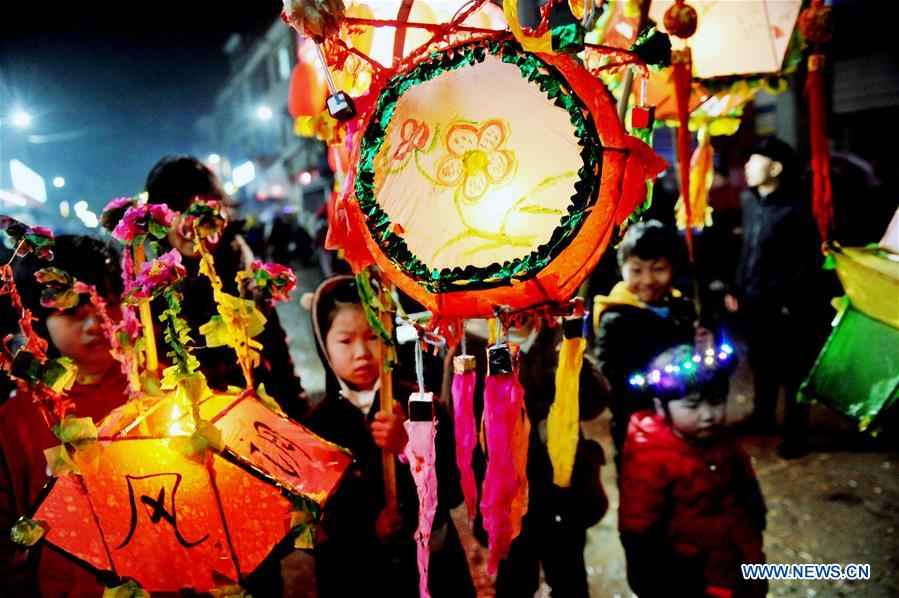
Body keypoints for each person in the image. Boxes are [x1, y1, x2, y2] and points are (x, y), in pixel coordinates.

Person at [302, 276, 474, 597]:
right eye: (345, 341)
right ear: (324, 344)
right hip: (357, 578)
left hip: (431, 574)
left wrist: (409, 447)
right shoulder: (317, 428)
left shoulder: (424, 406)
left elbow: (453, 493)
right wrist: (368, 532)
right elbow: (316, 528)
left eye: (372, 337)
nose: (361, 353)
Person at [0, 236, 130, 597]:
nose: (96, 324)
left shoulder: (163, 390)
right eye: (72, 310)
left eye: (108, 303)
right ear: (37, 321)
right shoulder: (18, 420)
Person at [442, 317, 609, 597]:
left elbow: (594, 403)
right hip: (508, 502)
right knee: (516, 579)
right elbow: (460, 425)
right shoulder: (468, 348)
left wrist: (574, 362)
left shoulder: (556, 333)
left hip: (565, 491)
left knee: (570, 576)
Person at [145, 155, 309, 420]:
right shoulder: (152, 287)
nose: (191, 221)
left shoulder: (244, 267)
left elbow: (276, 348)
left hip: (258, 413)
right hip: (190, 423)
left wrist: (298, 411)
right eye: (175, 209)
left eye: (202, 208)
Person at [619, 344, 767, 598]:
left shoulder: (723, 441)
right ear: (660, 406)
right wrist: (658, 583)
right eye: (692, 406)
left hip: (737, 558)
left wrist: (754, 513)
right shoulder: (649, 458)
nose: (708, 415)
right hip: (688, 577)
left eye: (717, 402)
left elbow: (744, 481)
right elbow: (640, 531)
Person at [725, 137, 831, 457]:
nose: (746, 166)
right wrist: (736, 288)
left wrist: (790, 303)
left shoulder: (798, 208)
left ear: (775, 167)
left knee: (793, 371)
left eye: (753, 160)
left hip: (786, 308)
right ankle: (762, 417)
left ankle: (795, 434)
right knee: (761, 364)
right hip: (753, 301)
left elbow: (806, 263)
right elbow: (747, 252)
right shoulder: (750, 201)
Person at [594, 220, 711, 468]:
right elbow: (611, 377)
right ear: (621, 268)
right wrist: (660, 384)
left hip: (682, 421)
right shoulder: (615, 318)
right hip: (637, 424)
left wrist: (705, 350)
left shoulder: (682, 308)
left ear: (674, 268)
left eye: (658, 269)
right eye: (636, 270)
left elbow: (707, 374)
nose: (647, 280)